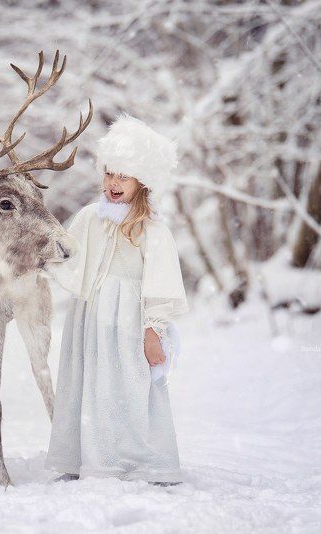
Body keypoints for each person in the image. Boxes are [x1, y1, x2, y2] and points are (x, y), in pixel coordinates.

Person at [45, 114, 189, 485]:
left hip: (128, 321)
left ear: (142, 180)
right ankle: (86, 457)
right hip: (90, 317)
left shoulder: (152, 229)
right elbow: (68, 254)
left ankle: (135, 461)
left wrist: (153, 330)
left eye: (123, 176)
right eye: (109, 173)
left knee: (127, 385)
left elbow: (161, 285)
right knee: (88, 383)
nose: (113, 183)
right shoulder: (92, 217)